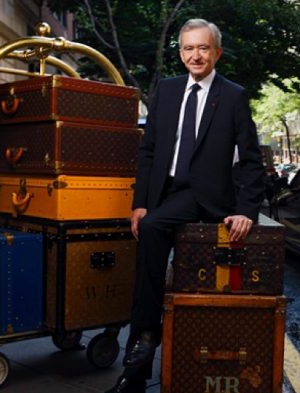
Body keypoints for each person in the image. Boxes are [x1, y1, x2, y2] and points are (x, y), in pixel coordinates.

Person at [106, 18, 265, 393]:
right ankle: (142, 351)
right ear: (180, 53)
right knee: (149, 230)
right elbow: (148, 151)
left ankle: (193, 358)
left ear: (217, 52)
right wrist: (141, 203)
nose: (196, 55)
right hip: (172, 194)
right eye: (188, 48)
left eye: (203, 48)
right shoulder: (167, 89)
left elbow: (251, 159)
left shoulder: (233, 95)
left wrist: (246, 210)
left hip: (215, 199)